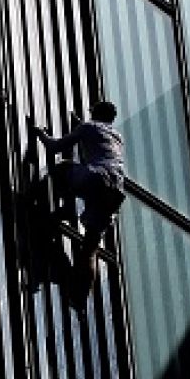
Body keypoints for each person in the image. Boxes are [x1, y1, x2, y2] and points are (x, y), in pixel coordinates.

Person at [32, 101, 126, 307]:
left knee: (63, 169)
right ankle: (81, 299)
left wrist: (40, 133)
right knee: (90, 249)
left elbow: (55, 147)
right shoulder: (117, 137)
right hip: (115, 189)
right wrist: (81, 127)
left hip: (96, 177)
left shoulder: (88, 127)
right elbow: (96, 149)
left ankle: (64, 208)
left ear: (94, 114)